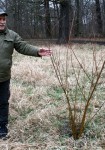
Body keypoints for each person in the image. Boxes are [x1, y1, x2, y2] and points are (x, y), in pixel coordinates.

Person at [0, 10, 52, 139]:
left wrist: (37, 51)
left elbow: (23, 46)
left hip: (3, 77)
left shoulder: (12, 35)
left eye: (3, 19)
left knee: (2, 103)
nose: (2, 22)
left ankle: (2, 127)